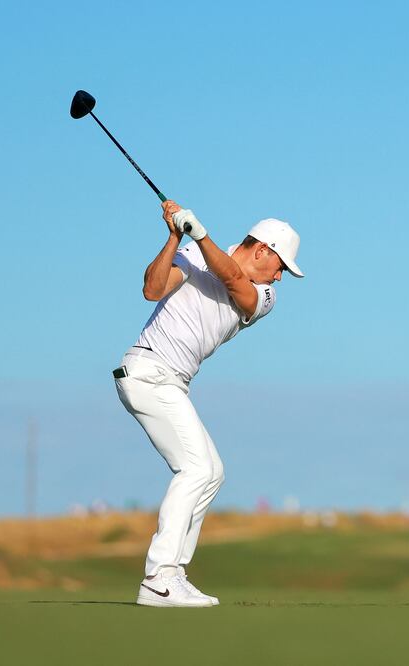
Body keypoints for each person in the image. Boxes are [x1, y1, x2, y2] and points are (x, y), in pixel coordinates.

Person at [113, 200, 303, 608]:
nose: (280, 277)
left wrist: (199, 235)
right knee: (196, 468)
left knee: (211, 472)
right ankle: (159, 577)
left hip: (169, 382)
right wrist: (174, 238)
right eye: (281, 266)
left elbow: (234, 280)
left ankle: (173, 575)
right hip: (148, 372)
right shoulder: (195, 253)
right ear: (262, 250)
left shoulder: (265, 295)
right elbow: (152, 289)